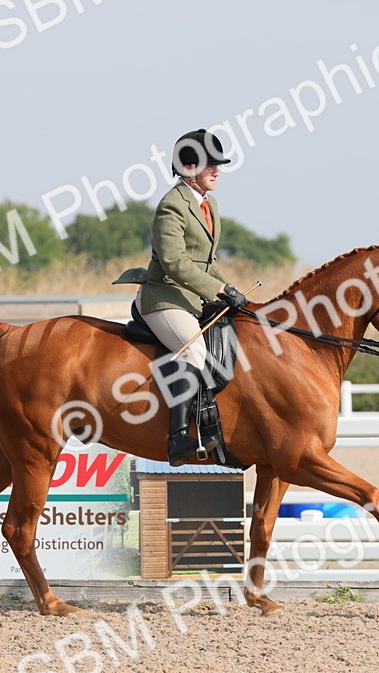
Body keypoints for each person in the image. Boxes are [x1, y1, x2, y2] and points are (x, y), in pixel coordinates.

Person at [136, 129, 248, 466]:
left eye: (219, 164)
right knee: (195, 349)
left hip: (194, 297)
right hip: (165, 297)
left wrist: (229, 290)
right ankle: (178, 438)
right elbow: (174, 262)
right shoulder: (172, 205)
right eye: (210, 164)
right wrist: (218, 290)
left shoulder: (208, 203)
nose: (218, 170)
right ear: (188, 167)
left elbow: (207, 263)